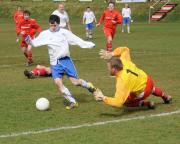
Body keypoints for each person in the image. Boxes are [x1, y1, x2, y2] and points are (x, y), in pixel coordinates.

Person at [25, 15, 96, 109]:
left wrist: (89, 44)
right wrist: (30, 41)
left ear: (58, 24)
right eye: (51, 25)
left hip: (66, 61)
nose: (53, 27)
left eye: (55, 25)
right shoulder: (45, 33)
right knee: (58, 83)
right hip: (54, 64)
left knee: (75, 82)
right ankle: (73, 102)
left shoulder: (64, 32)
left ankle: (88, 85)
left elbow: (76, 40)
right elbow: (36, 42)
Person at [94, 47, 172, 109]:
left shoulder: (122, 81)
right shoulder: (124, 60)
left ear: (114, 69)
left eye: (109, 68)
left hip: (144, 91)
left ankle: (147, 103)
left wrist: (103, 97)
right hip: (149, 80)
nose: (108, 69)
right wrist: (112, 54)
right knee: (151, 88)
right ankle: (165, 97)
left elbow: (118, 103)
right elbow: (125, 49)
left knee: (125, 103)